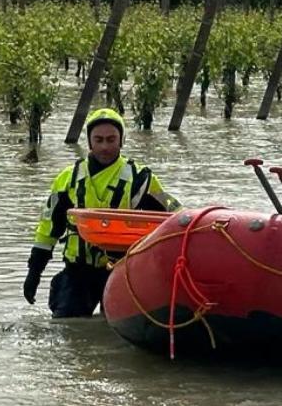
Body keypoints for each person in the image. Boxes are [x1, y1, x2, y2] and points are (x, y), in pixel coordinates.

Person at [23, 108, 181, 318]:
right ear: (89, 143)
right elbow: (48, 230)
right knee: (70, 329)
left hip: (122, 271)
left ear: (121, 141)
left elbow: (174, 217)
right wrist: (34, 272)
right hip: (78, 271)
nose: (105, 146)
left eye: (111, 139)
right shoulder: (67, 179)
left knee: (115, 333)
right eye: (98, 140)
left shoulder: (140, 178)